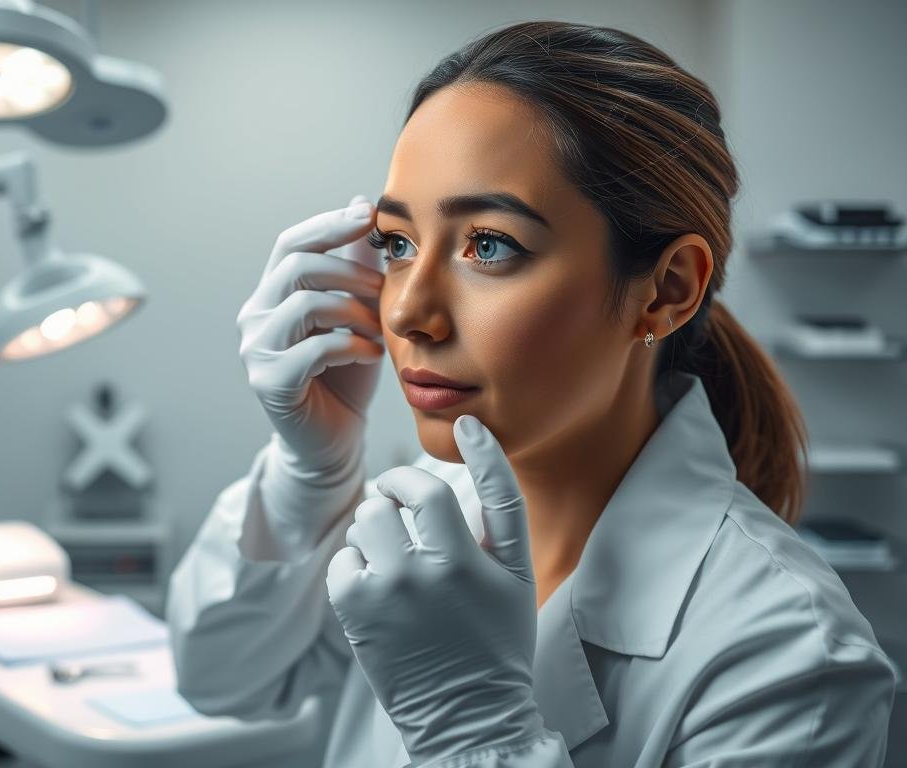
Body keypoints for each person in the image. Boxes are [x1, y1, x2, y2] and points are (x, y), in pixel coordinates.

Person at [166, 20, 898, 768]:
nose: (407, 313)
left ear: (666, 290)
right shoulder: (418, 515)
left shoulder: (794, 663)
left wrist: (473, 730)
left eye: (488, 245)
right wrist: (309, 474)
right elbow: (222, 681)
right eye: (396, 243)